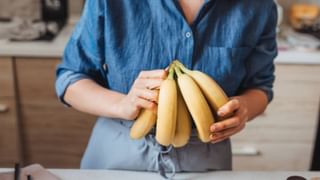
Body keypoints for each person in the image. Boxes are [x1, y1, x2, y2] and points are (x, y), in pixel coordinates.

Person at [55, 0, 277, 178]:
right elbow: (71, 78)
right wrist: (121, 104)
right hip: (117, 152)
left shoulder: (259, 6)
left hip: (206, 156)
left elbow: (260, 86)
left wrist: (245, 108)